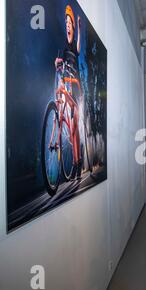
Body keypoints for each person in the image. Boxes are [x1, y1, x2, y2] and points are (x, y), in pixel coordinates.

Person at [55, 5, 82, 179]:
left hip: (76, 85)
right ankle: (59, 120)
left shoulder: (73, 44)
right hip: (66, 82)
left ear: (72, 24)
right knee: (60, 95)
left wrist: (79, 27)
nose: (67, 24)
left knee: (75, 126)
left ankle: (77, 162)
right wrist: (57, 61)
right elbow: (59, 60)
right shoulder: (63, 44)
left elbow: (78, 49)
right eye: (65, 22)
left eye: (69, 21)